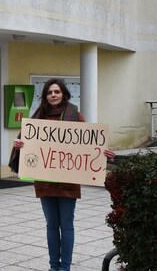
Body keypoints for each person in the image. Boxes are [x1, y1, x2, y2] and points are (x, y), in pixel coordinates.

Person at [12, 78, 115, 271]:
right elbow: (26, 143)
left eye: (56, 92)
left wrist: (103, 153)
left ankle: (64, 267)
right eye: (49, 92)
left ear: (64, 94)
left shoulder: (75, 115)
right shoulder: (37, 117)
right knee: (51, 225)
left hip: (68, 180)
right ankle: (54, 266)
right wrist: (19, 146)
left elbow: (89, 143)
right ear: (45, 96)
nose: (53, 95)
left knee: (66, 225)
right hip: (45, 180)